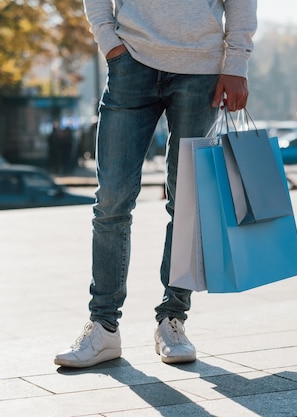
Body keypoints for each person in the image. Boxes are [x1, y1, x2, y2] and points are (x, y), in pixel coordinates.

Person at [54, 0, 257, 368]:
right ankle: (103, 326)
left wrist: (236, 64)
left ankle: (173, 319)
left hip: (202, 70)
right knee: (111, 201)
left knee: (188, 202)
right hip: (131, 61)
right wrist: (110, 44)